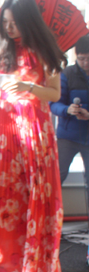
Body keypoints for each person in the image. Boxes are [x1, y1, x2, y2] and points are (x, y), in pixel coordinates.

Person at [0, 0, 66, 272]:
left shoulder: (44, 49)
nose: (9, 29)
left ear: (29, 21)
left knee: (32, 192)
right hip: (2, 127)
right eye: (6, 23)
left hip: (35, 127)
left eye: (14, 23)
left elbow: (55, 94)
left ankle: (32, 264)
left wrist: (28, 87)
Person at [50, 35, 89, 219]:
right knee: (57, 177)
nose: (86, 62)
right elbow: (54, 105)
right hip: (67, 136)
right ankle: (50, 219)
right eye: (82, 58)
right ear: (76, 56)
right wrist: (67, 110)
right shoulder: (66, 74)